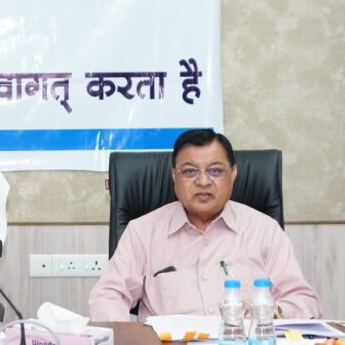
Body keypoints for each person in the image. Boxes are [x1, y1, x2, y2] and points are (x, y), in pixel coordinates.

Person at [89, 129, 322, 322]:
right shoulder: (142, 232)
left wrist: (274, 312)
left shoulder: (264, 230)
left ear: (233, 174)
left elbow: (303, 300)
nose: (202, 181)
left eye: (215, 171)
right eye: (190, 171)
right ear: (174, 177)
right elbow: (107, 296)